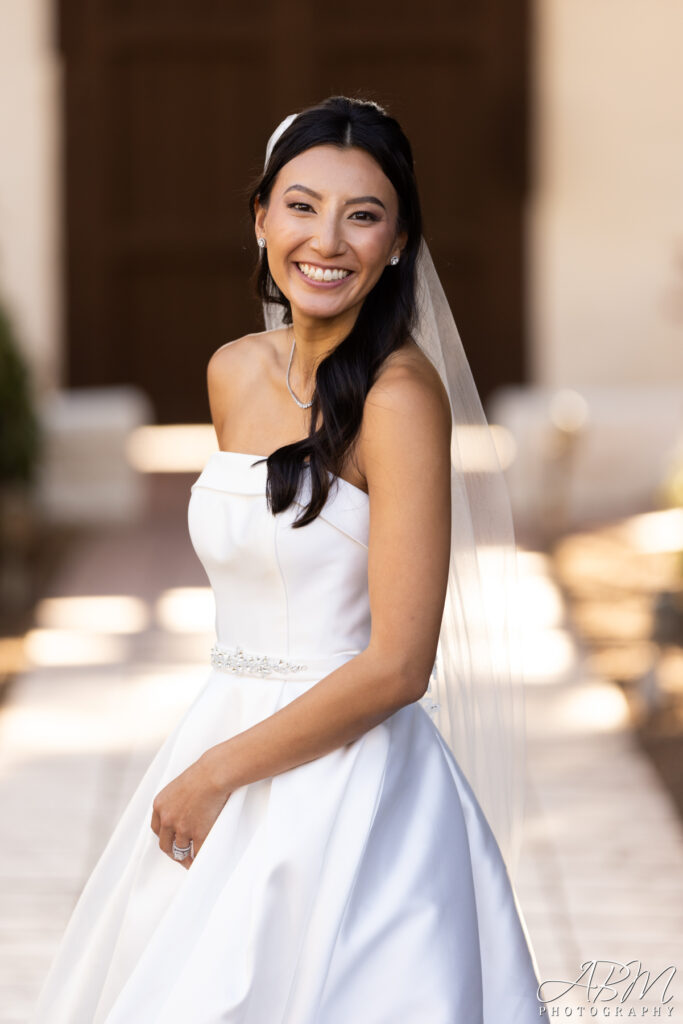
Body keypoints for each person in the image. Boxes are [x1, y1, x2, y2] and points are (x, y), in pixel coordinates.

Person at [30, 95, 544, 1023]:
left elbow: (397, 665)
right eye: (302, 205)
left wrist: (219, 772)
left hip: (347, 783)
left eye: (363, 214)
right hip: (221, 724)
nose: (328, 239)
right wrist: (208, 760)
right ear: (260, 217)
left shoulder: (398, 401)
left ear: (397, 244)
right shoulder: (233, 371)